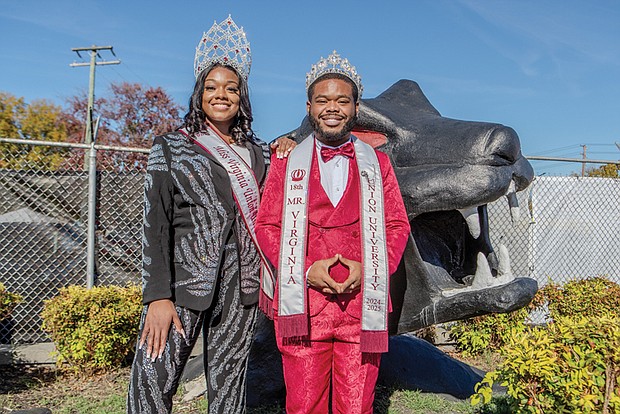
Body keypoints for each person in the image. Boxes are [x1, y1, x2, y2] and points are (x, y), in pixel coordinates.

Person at [127, 15, 295, 414]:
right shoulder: (171, 147)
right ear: (199, 94)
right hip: (182, 287)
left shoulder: (261, 154)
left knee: (230, 389)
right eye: (212, 87)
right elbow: (155, 225)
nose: (222, 95)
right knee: (152, 380)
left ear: (243, 97)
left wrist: (288, 142)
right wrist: (158, 297)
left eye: (231, 88)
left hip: (242, 290)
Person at [255, 51, 411, 414]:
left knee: (357, 406)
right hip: (304, 305)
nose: (332, 108)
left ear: (356, 108)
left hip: (361, 305)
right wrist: (307, 270)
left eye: (342, 100)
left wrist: (370, 269)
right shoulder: (286, 160)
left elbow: (397, 224)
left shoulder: (379, 163)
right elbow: (268, 225)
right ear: (309, 107)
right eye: (323, 100)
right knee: (303, 405)